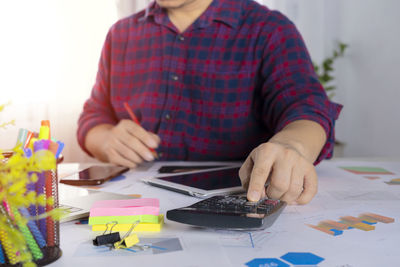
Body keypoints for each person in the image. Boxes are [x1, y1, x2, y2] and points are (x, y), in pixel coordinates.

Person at [77, 0, 342, 205]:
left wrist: (291, 146)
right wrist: (105, 138)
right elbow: (94, 115)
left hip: (236, 204)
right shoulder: (121, 34)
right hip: (137, 206)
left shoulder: (269, 29)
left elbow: (307, 107)